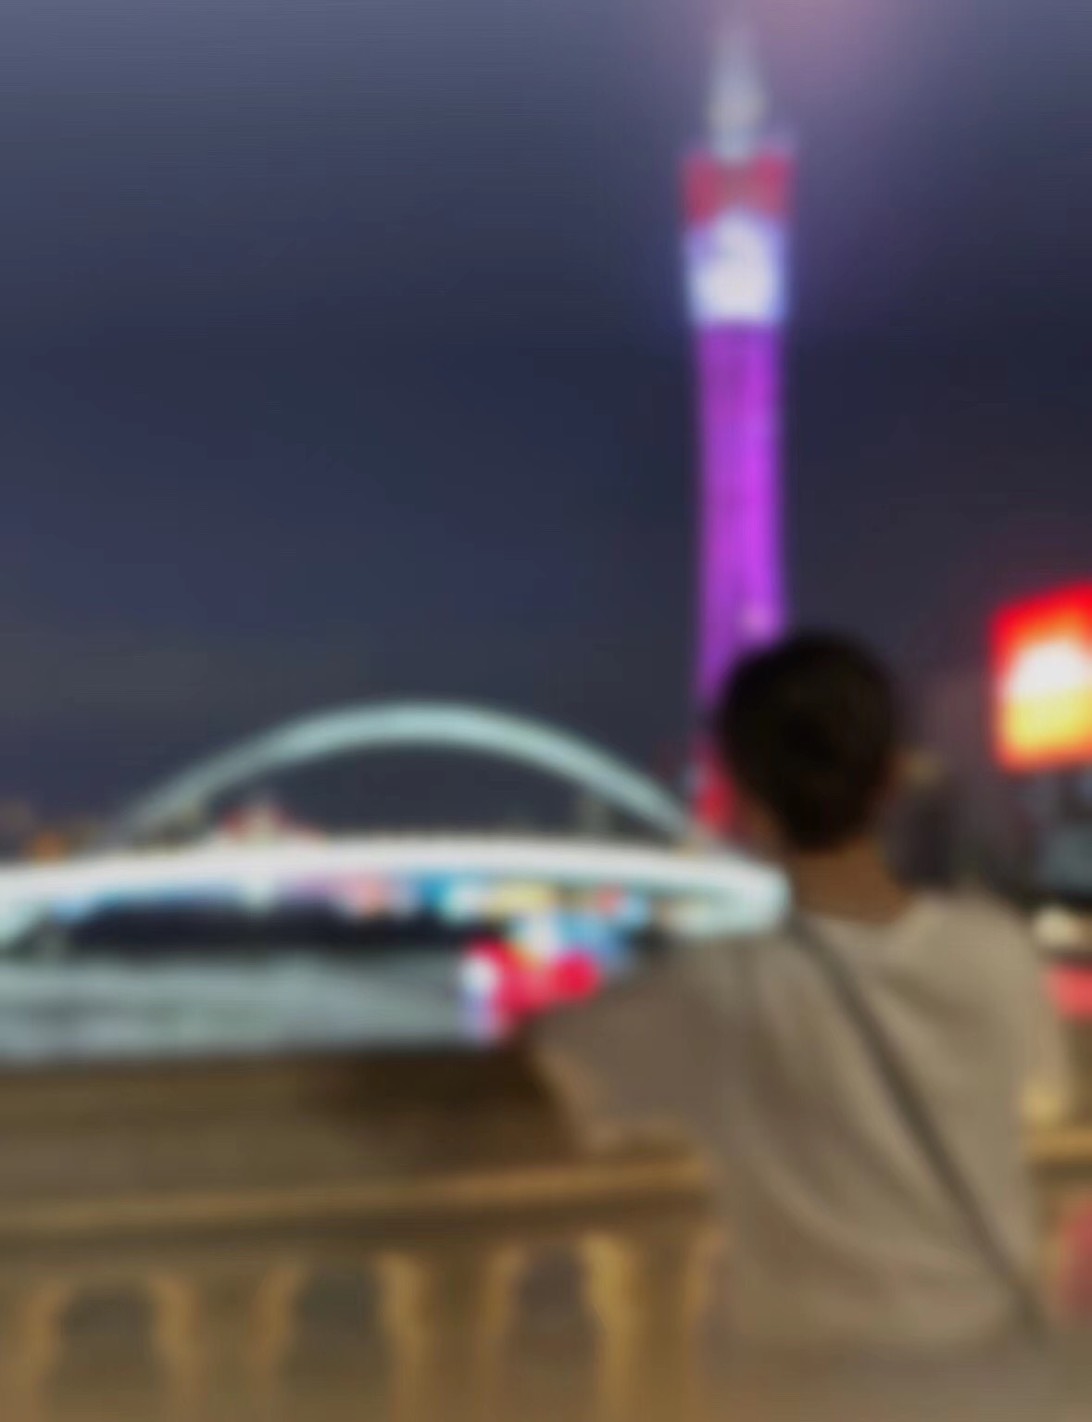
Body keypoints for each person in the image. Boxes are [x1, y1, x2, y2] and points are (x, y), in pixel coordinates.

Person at [534, 632, 1072, 1419]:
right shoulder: (999, 953)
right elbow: (1045, 1099)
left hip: (814, 1387)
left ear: (740, 802)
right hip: (998, 1375)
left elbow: (553, 1070)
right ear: (893, 780)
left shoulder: (717, 991)